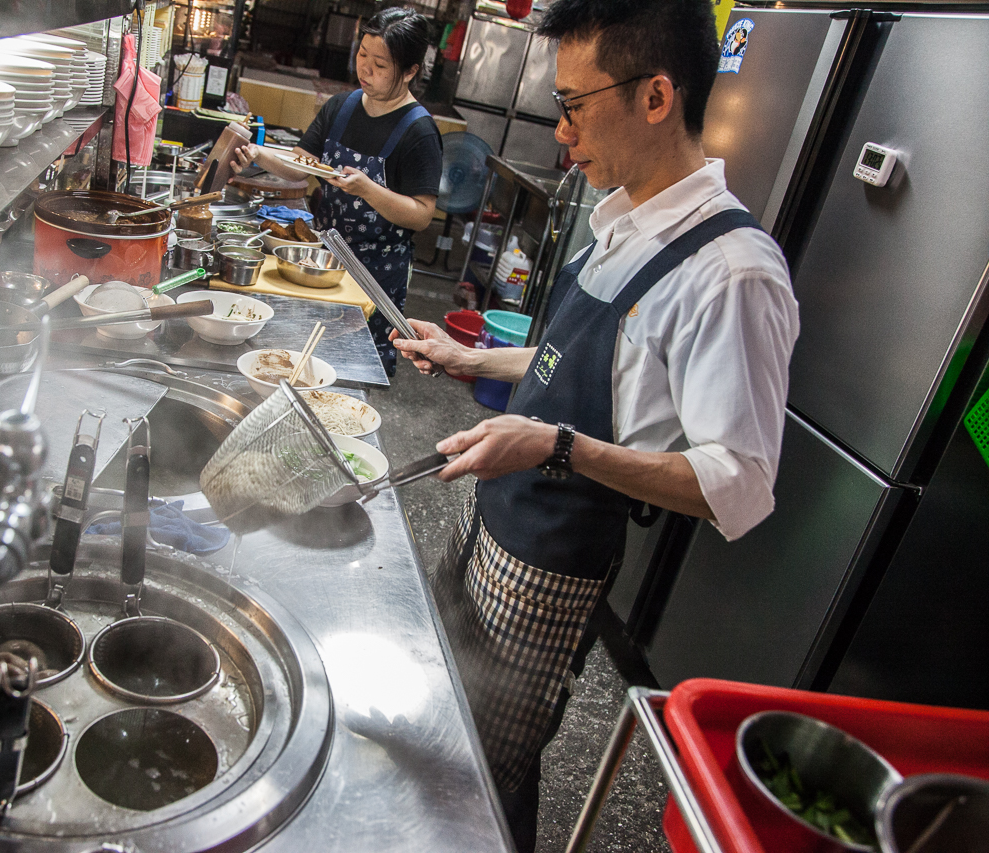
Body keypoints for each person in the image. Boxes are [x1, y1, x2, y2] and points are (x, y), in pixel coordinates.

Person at [390, 0, 800, 850]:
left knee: (487, 772)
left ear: (656, 97)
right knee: (442, 714)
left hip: (551, 561)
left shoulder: (731, 273)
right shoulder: (622, 218)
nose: (562, 130)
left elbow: (738, 481)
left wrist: (556, 445)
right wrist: (471, 357)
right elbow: (566, 359)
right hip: (493, 508)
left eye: (575, 104)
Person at [233, 7, 442, 375]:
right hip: (322, 262)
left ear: (410, 71)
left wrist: (368, 190)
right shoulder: (341, 107)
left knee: (354, 367)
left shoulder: (419, 131)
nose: (365, 69)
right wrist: (259, 155)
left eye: (380, 64)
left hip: (375, 274)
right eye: (362, 55)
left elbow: (422, 214)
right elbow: (301, 165)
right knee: (301, 358)